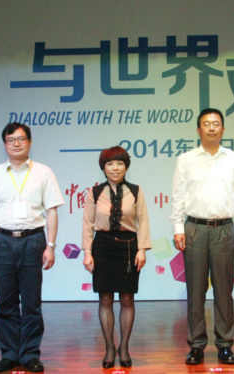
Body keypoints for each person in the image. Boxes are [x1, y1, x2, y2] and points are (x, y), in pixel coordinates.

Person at [0, 122, 65, 373]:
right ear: (4, 144)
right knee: (6, 303)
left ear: (30, 142)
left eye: (21, 139)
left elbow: (52, 211)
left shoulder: (43, 172)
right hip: (2, 241)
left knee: (31, 302)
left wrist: (50, 245)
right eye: (10, 140)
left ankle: (30, 354)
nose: (16, 144)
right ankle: (9, 354)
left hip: (32, 240)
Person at [170, 108, 234, 365]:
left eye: (216, 124)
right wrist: (178, 228)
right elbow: (178, 196)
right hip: (194, 228)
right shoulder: (186, 159)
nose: (212, 128)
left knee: (224, 290)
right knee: (195, 290)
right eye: (206, 124)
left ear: (223, 129)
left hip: (224, 229)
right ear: (198, 130)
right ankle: (196, 346)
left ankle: (225, 345)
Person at [82, 146, 151, 369]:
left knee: (127, 299)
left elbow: (143, 220)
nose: (115, 168)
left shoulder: (136, 191)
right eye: (110, 163)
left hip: (129, 247)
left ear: (126, 167)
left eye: (120, 163)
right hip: (102, 247)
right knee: (105, 299)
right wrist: (87, 252)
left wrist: (142, 249)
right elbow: (88, 224)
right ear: (103, 168)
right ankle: (110, 348)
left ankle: (124, 348)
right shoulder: (94, 192)